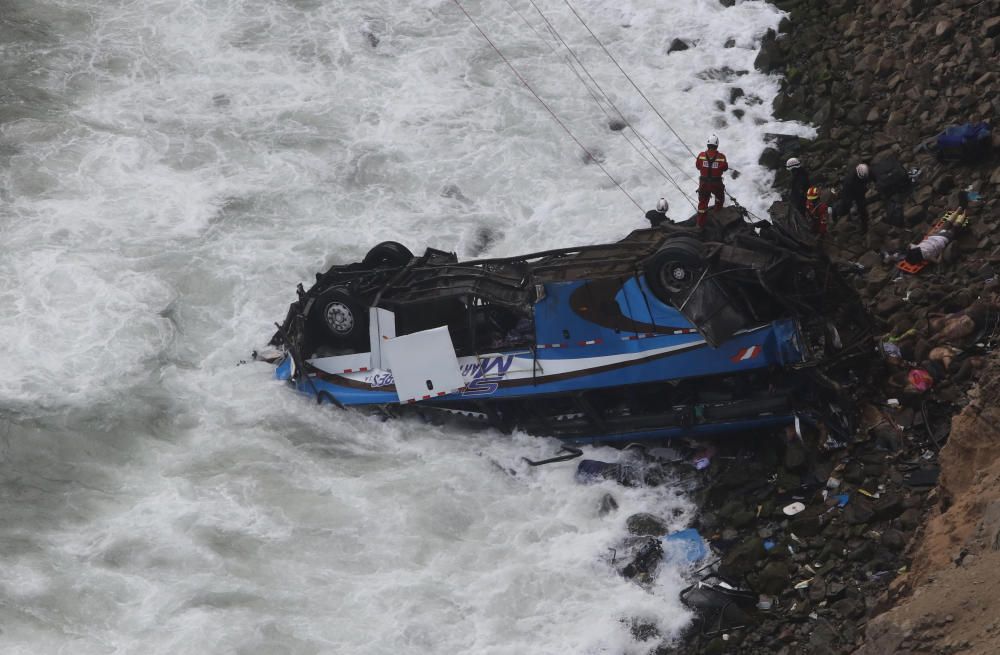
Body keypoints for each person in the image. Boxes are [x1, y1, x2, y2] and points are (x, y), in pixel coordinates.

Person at [884, 209, 968, 265]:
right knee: (946, 224)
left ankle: (965, 214)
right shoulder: (916, 247)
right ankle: (958, 210)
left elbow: (938, 261)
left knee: (954, 228)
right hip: (935, 236)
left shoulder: (927, 256)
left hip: (943, 239)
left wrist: (941, 251)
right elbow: (908, 246)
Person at [695, 135, 728, 227]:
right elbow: (725, 168)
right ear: (717, 145)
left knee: (702, 203)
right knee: (719, 198)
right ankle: (717, 214)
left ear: (707, 144)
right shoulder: (721, 157)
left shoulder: (701, 156)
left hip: (704, 184)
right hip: (716, 184)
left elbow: (698, 166)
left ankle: (700, 225)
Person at [832, 163, 873, 232]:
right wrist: (851, 205)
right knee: (842, 210)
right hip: (850, 194)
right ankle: (835, 209)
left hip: (860, 191)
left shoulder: (866, 170)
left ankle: (864, 228)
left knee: (862, 208)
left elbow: (873, 176)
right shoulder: (849, 181)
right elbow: (846, 195)